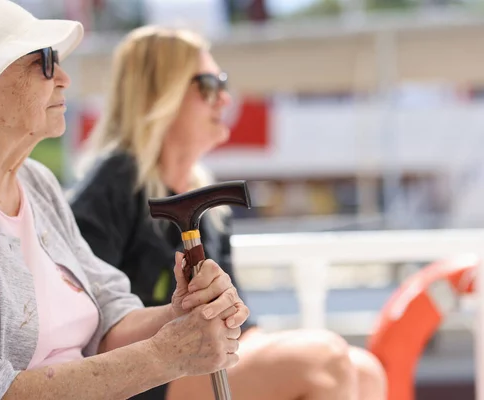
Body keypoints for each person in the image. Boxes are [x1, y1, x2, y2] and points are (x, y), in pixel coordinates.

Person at [0, 2, 251, 399]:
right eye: (43, 61)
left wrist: (179, 314)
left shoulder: (34, 181)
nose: (63, 78)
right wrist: (165, 355)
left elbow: (109, 318)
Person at [68, 25, 388, 400]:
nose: (224, 99)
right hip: (145, 376)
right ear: (160, 94)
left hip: (206, 357)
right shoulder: (114, 184)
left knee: (365, 371)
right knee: (324, 358)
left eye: (223, 83)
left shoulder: (207, 201)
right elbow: (84, 323)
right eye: (209, 86)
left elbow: (241, 322)